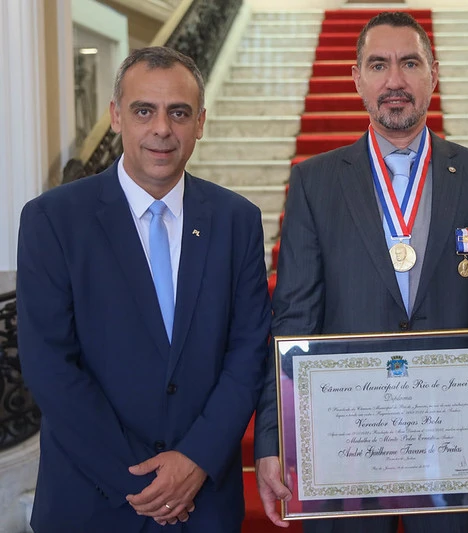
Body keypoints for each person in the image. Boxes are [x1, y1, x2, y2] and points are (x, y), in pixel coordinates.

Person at [253, 11, 468, 533]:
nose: (395, 81)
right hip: (344, 438)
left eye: (410, 63)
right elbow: (292, 319)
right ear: (357, 78)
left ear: (433, 73)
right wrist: (276, 442)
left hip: (456, 442)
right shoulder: (314, 183)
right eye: (379, 65)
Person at [16, 46, 271, 532]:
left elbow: (247, 353)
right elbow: (50, 366)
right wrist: (139, 483)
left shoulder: (237, 220)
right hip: (92, 501)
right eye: (143, 111)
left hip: (204, 502)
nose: (161, 129)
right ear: (116, 116)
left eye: (178, 112)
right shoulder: (53, 220)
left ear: (200, 122)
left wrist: (195, 459)